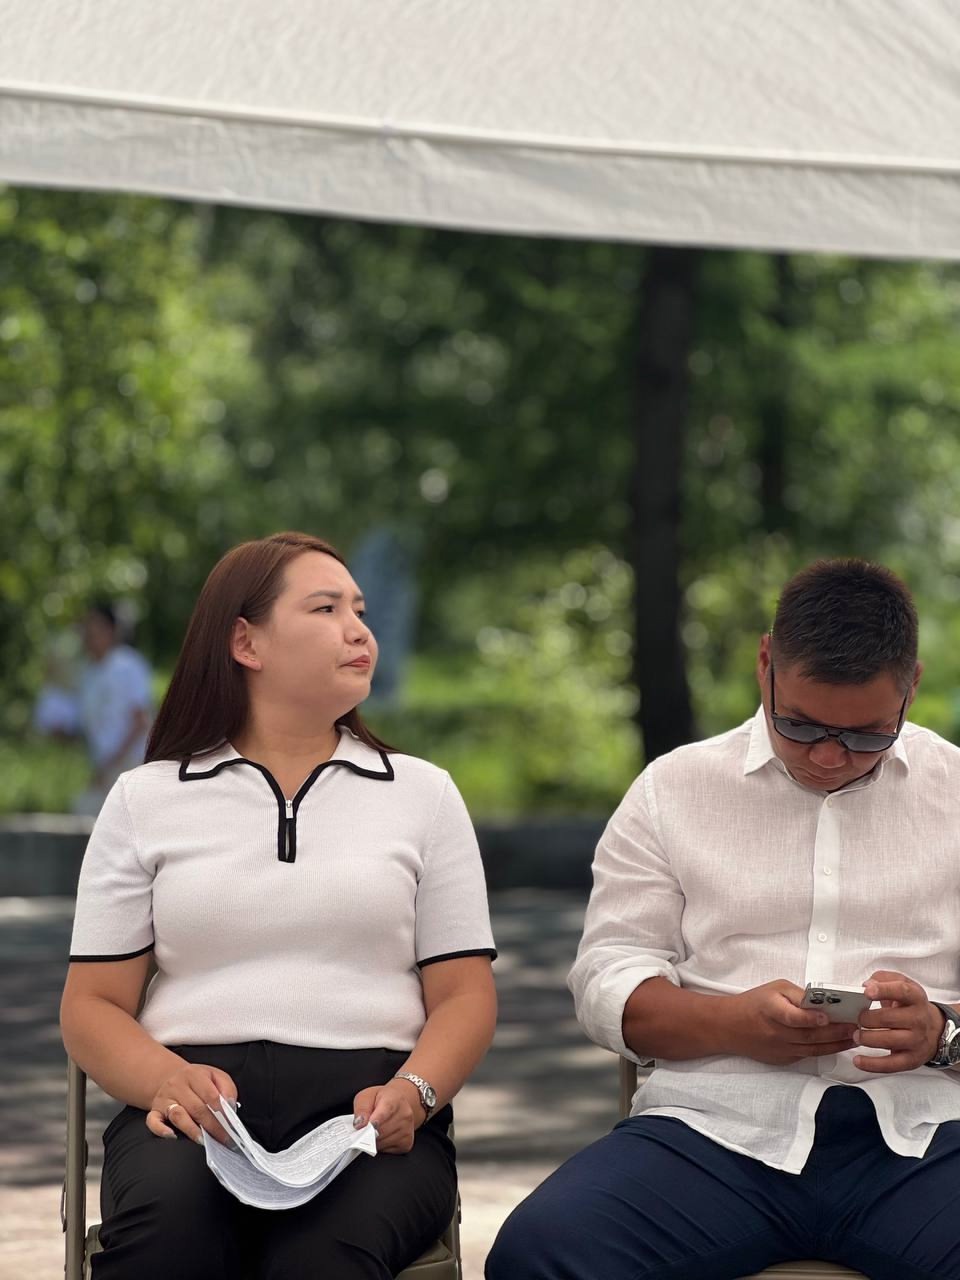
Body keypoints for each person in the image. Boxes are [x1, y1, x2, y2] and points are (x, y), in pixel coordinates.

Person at [487, 559, 960, 1280]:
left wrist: (941, 1034)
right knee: (541, 1252)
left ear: (912, 686)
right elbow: (607, 979)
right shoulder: (673, 790)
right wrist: (732, 1024)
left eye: (866, 735)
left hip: (925, 1134)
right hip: (711, 1131)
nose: (829, 756)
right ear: (765, 663)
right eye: (798, 724)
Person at [61, 531, 497, 1280]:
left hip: (369, 1117)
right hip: (194, 1111)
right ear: (246, 643)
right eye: (326, 609)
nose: (359, 631)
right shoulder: (145, 798)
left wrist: (415, 1094)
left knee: (320, 1264)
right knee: (166, 1240)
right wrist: (164, 1079)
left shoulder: (424, 795)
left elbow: (465, 995)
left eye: (360, 611)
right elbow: (91, 1004)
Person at [71, 602, 153, 815]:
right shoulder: (89, 673)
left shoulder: (128, 665)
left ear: (111, 630)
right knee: (84, 812)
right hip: (105, 766)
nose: (89, 633)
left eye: (96, 626)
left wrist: (114, 762)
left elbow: (141, 721)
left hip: (131, 765)